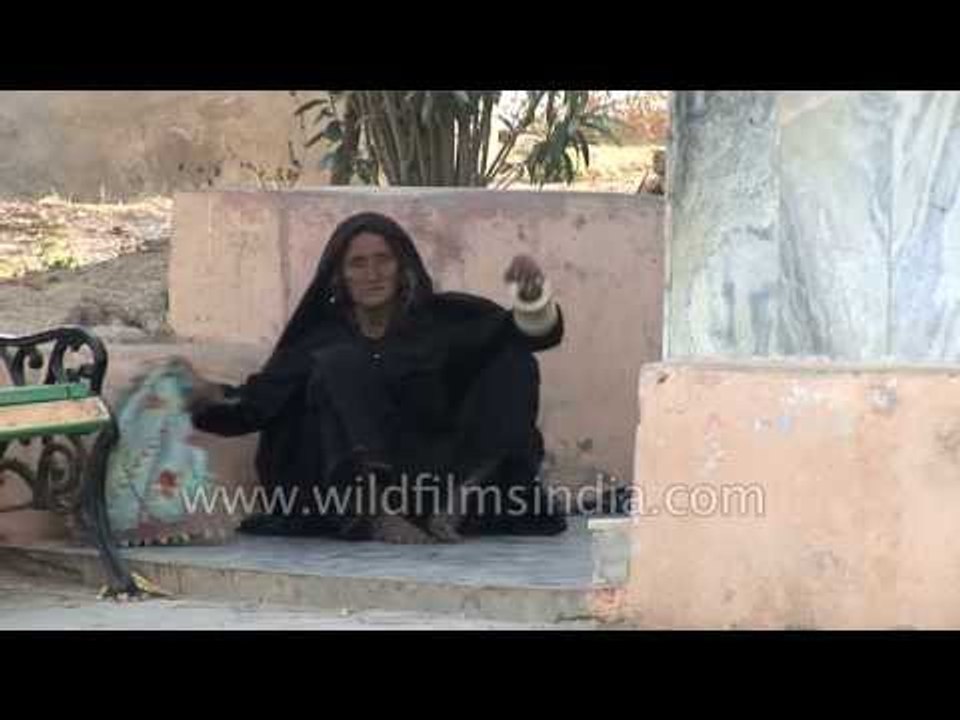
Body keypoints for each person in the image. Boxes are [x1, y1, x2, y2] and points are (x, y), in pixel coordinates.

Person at [181, 211, 566, 544]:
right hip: (342, 490)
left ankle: (461, 500)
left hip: (429, 481)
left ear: (403, 268)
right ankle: (377, 515)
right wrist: (202, 393)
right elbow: (254, 406)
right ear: (340, 276)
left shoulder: (441, 322)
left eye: (384, 260)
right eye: (358, 264)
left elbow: (529, 336)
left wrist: (532, 301)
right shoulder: (320, 338)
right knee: (338, 363)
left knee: (512, 361)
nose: (373, 274)